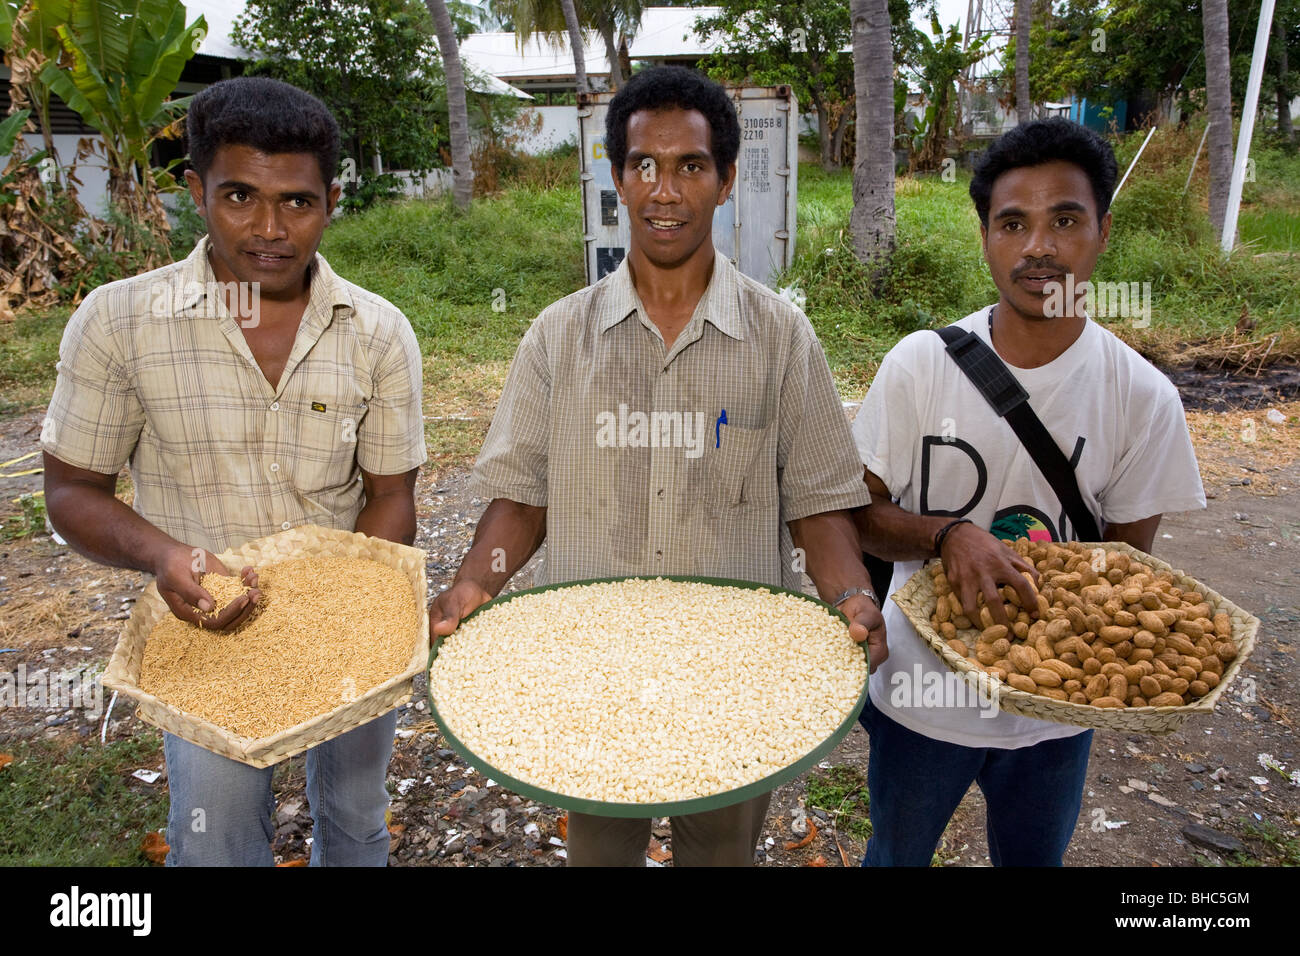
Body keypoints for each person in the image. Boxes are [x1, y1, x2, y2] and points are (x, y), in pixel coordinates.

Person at [428, 65, 886, 867]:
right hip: (592, 667)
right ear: (617, 178)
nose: (664, 190)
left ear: (726, 180)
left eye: (689, 167)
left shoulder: (781, 338)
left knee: (722, 849)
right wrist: (476, 582)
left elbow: (815, 502)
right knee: (603, 849)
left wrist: (849, 594)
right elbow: (524, 498)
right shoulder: (557, 337)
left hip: (734, 672)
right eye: (643, 165)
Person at [40, 76, 427, 866]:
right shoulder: (118, 322)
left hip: (347, 625)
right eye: (239, 196)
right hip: (200, 626)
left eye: (298, 202)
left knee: (355, 821)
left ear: (333, 200)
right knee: (217, 842)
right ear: (195, 191)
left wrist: (345, 618)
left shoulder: (378, 333)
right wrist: (162, 555)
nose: (269, 229)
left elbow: (392, 497)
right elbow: (72, 491)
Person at [851, 118, 1205, 866]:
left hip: (1054, 717)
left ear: (1103, 231)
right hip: (921, 697)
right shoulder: (919, 365)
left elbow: (1126, 568)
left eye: (1065, 220)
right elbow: (858, 515)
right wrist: (946, 537)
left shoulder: (1143, 396)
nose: (1038, 247)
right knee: (896, 855)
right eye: (1013, 223)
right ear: (986, 238)